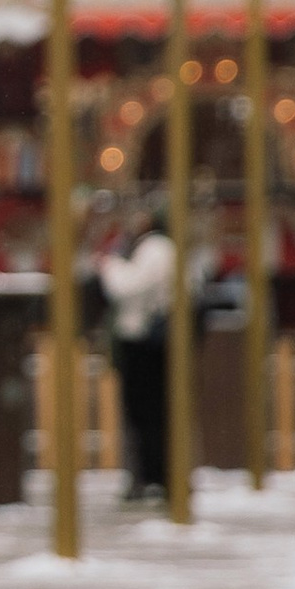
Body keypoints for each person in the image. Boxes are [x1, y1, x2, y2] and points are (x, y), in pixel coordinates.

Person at [96, 211, 176, 501]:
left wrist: (110, 265)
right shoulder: (153, 248)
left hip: (145, 343)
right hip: (143, 340)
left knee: (146, 413)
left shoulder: (156, 249)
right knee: (146, 414)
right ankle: (150, 474)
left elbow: (126, 287)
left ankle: (153, 475)